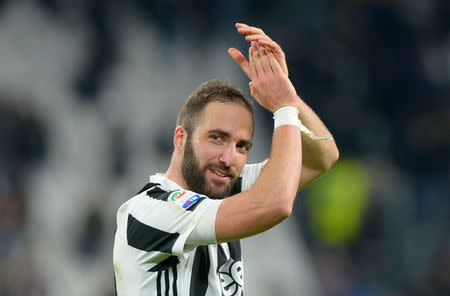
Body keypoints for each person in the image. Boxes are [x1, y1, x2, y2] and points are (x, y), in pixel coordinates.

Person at [113, 23, 339, 295]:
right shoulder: (149, 211)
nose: (228, 157)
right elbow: (277, 204)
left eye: (242, 146)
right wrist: (283, 108)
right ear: (181, 139)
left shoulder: (222, 191)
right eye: (217, 138)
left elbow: (320, 157)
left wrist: (287, 95)